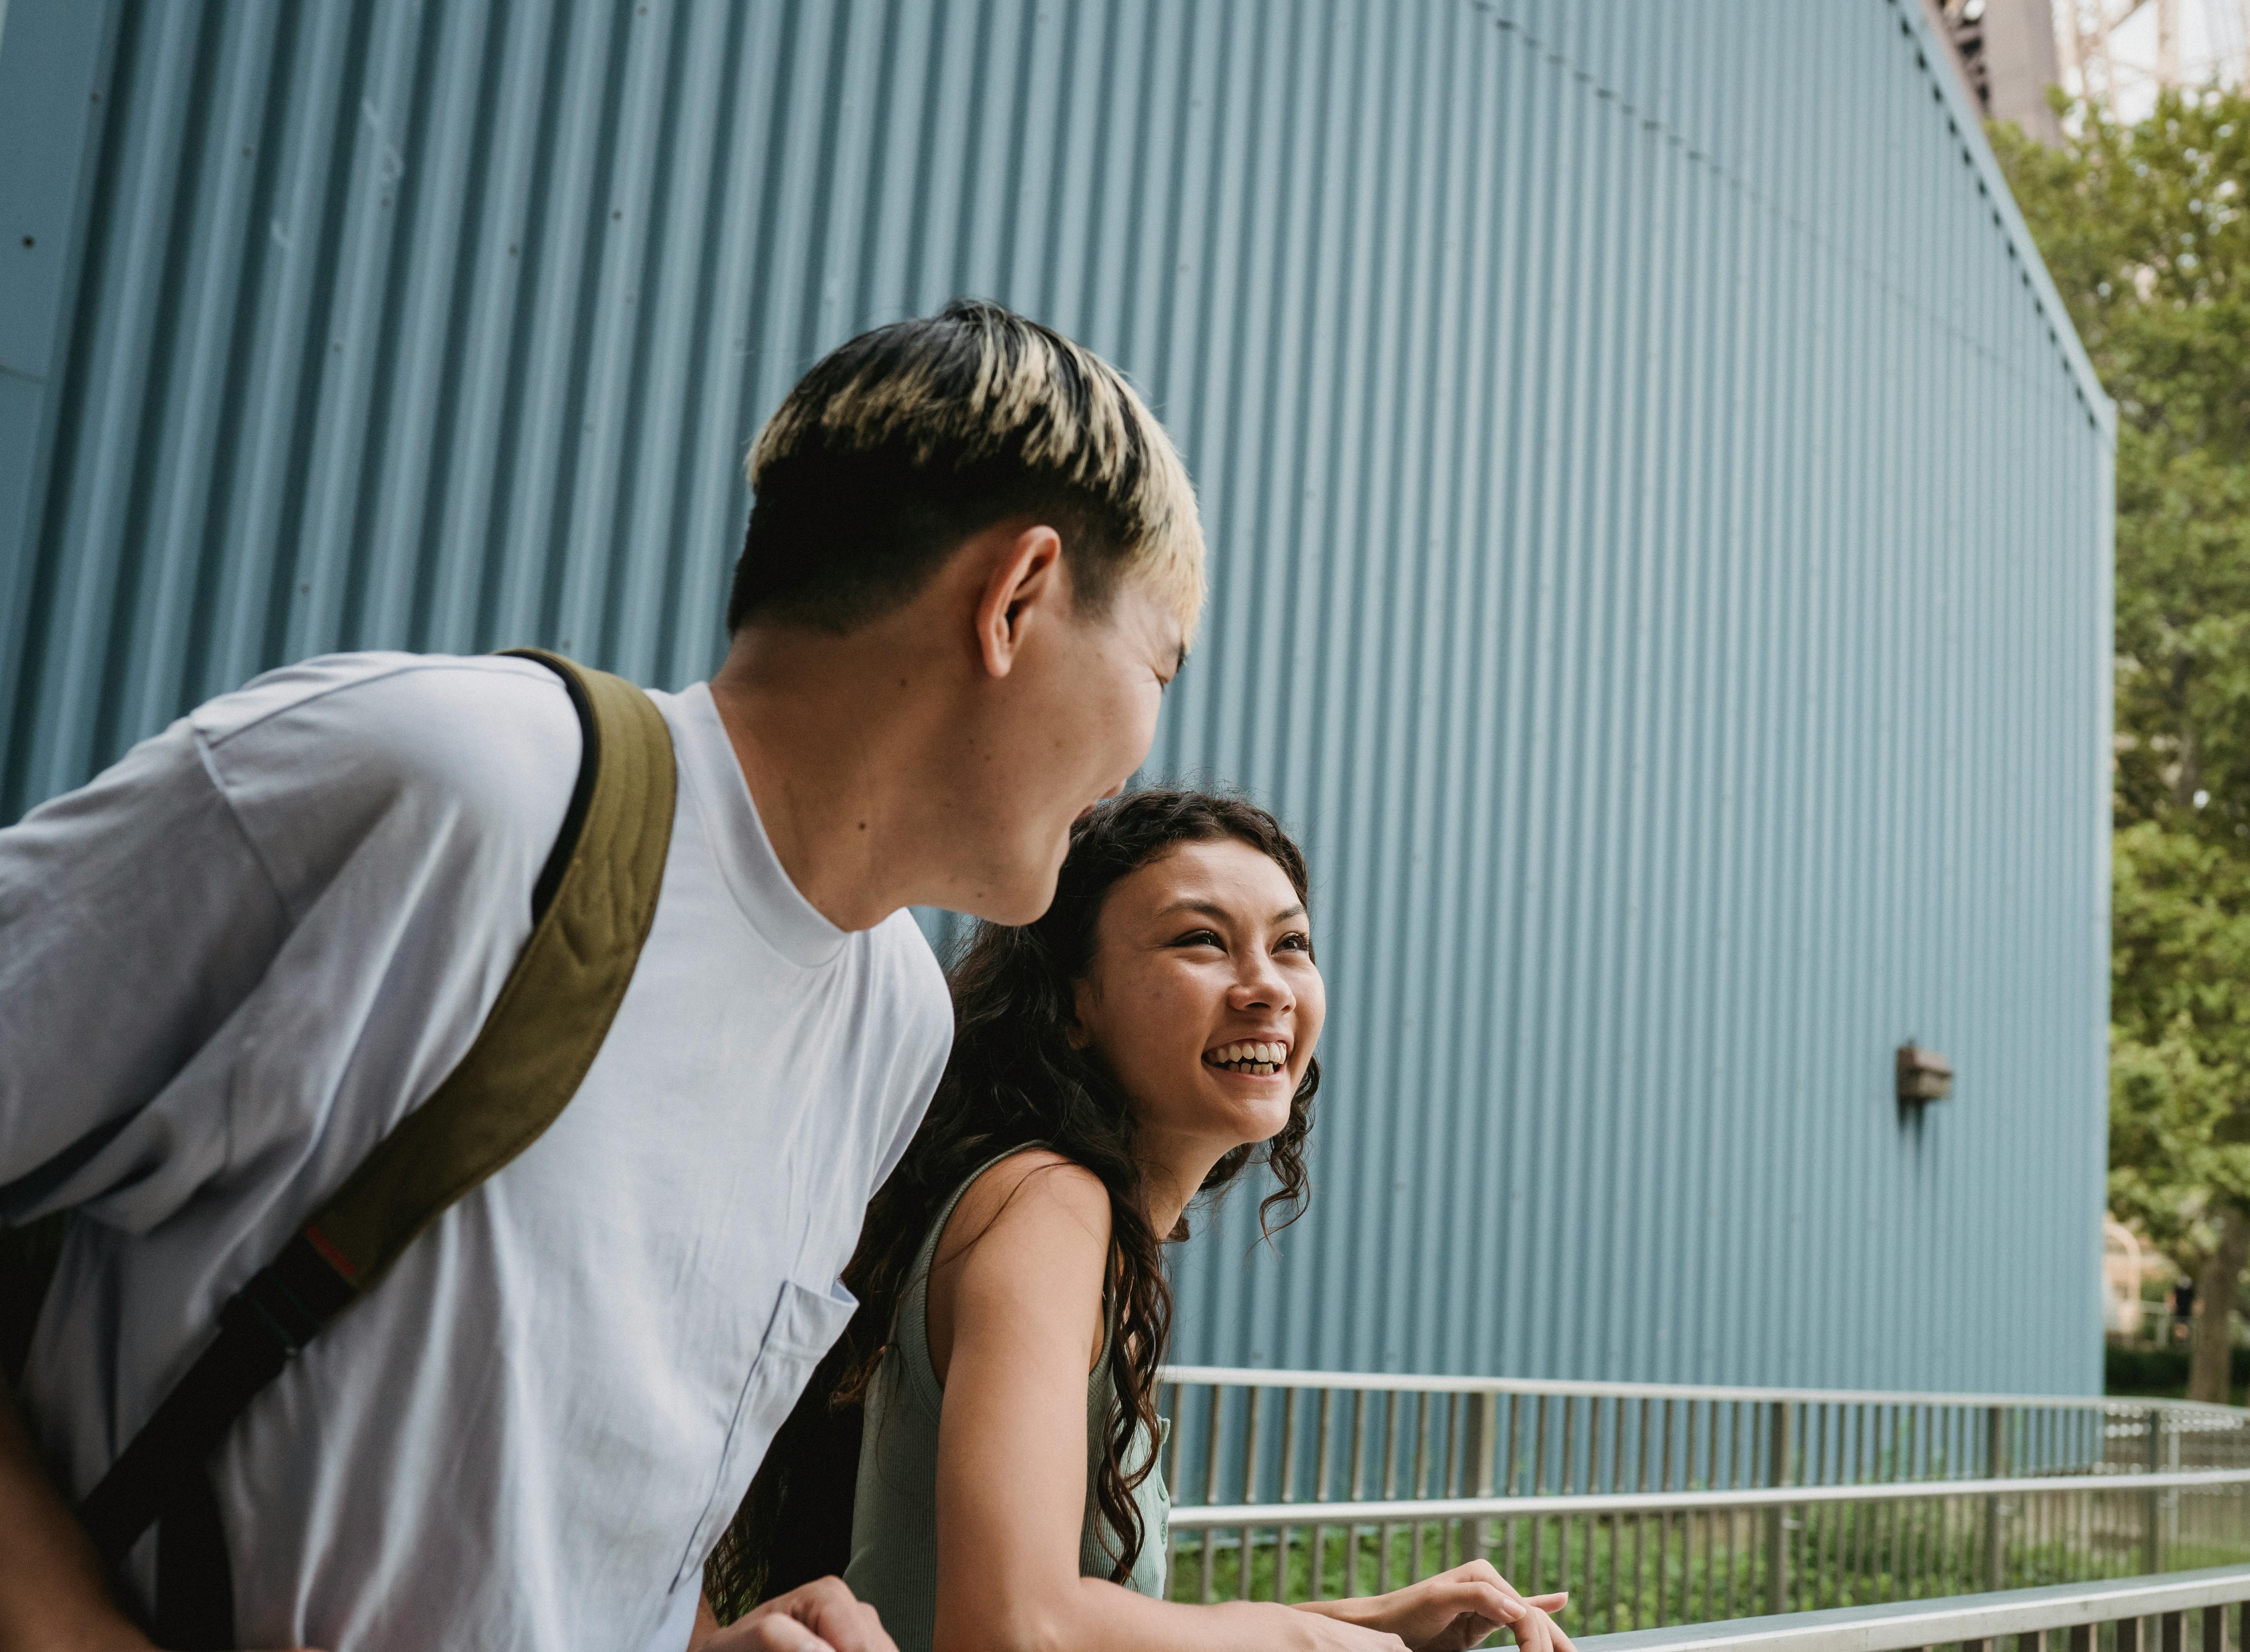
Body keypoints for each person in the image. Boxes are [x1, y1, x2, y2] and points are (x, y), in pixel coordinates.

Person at [0, 299, 1205, 1652]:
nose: (1142, 760)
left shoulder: (893, 1022)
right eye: (1161, 664)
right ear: (1018, 596)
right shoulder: (454, 788)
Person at [699, 791, 1578, 1652]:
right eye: (1202, 940)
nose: (1267, 987)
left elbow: (1079, 1621)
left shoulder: (1071, 1219)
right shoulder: (1046, 1202)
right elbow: (1012, 1626)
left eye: (1291, 944)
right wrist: (1309, 1641)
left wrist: (1372, 1618)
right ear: (1072, 1004)